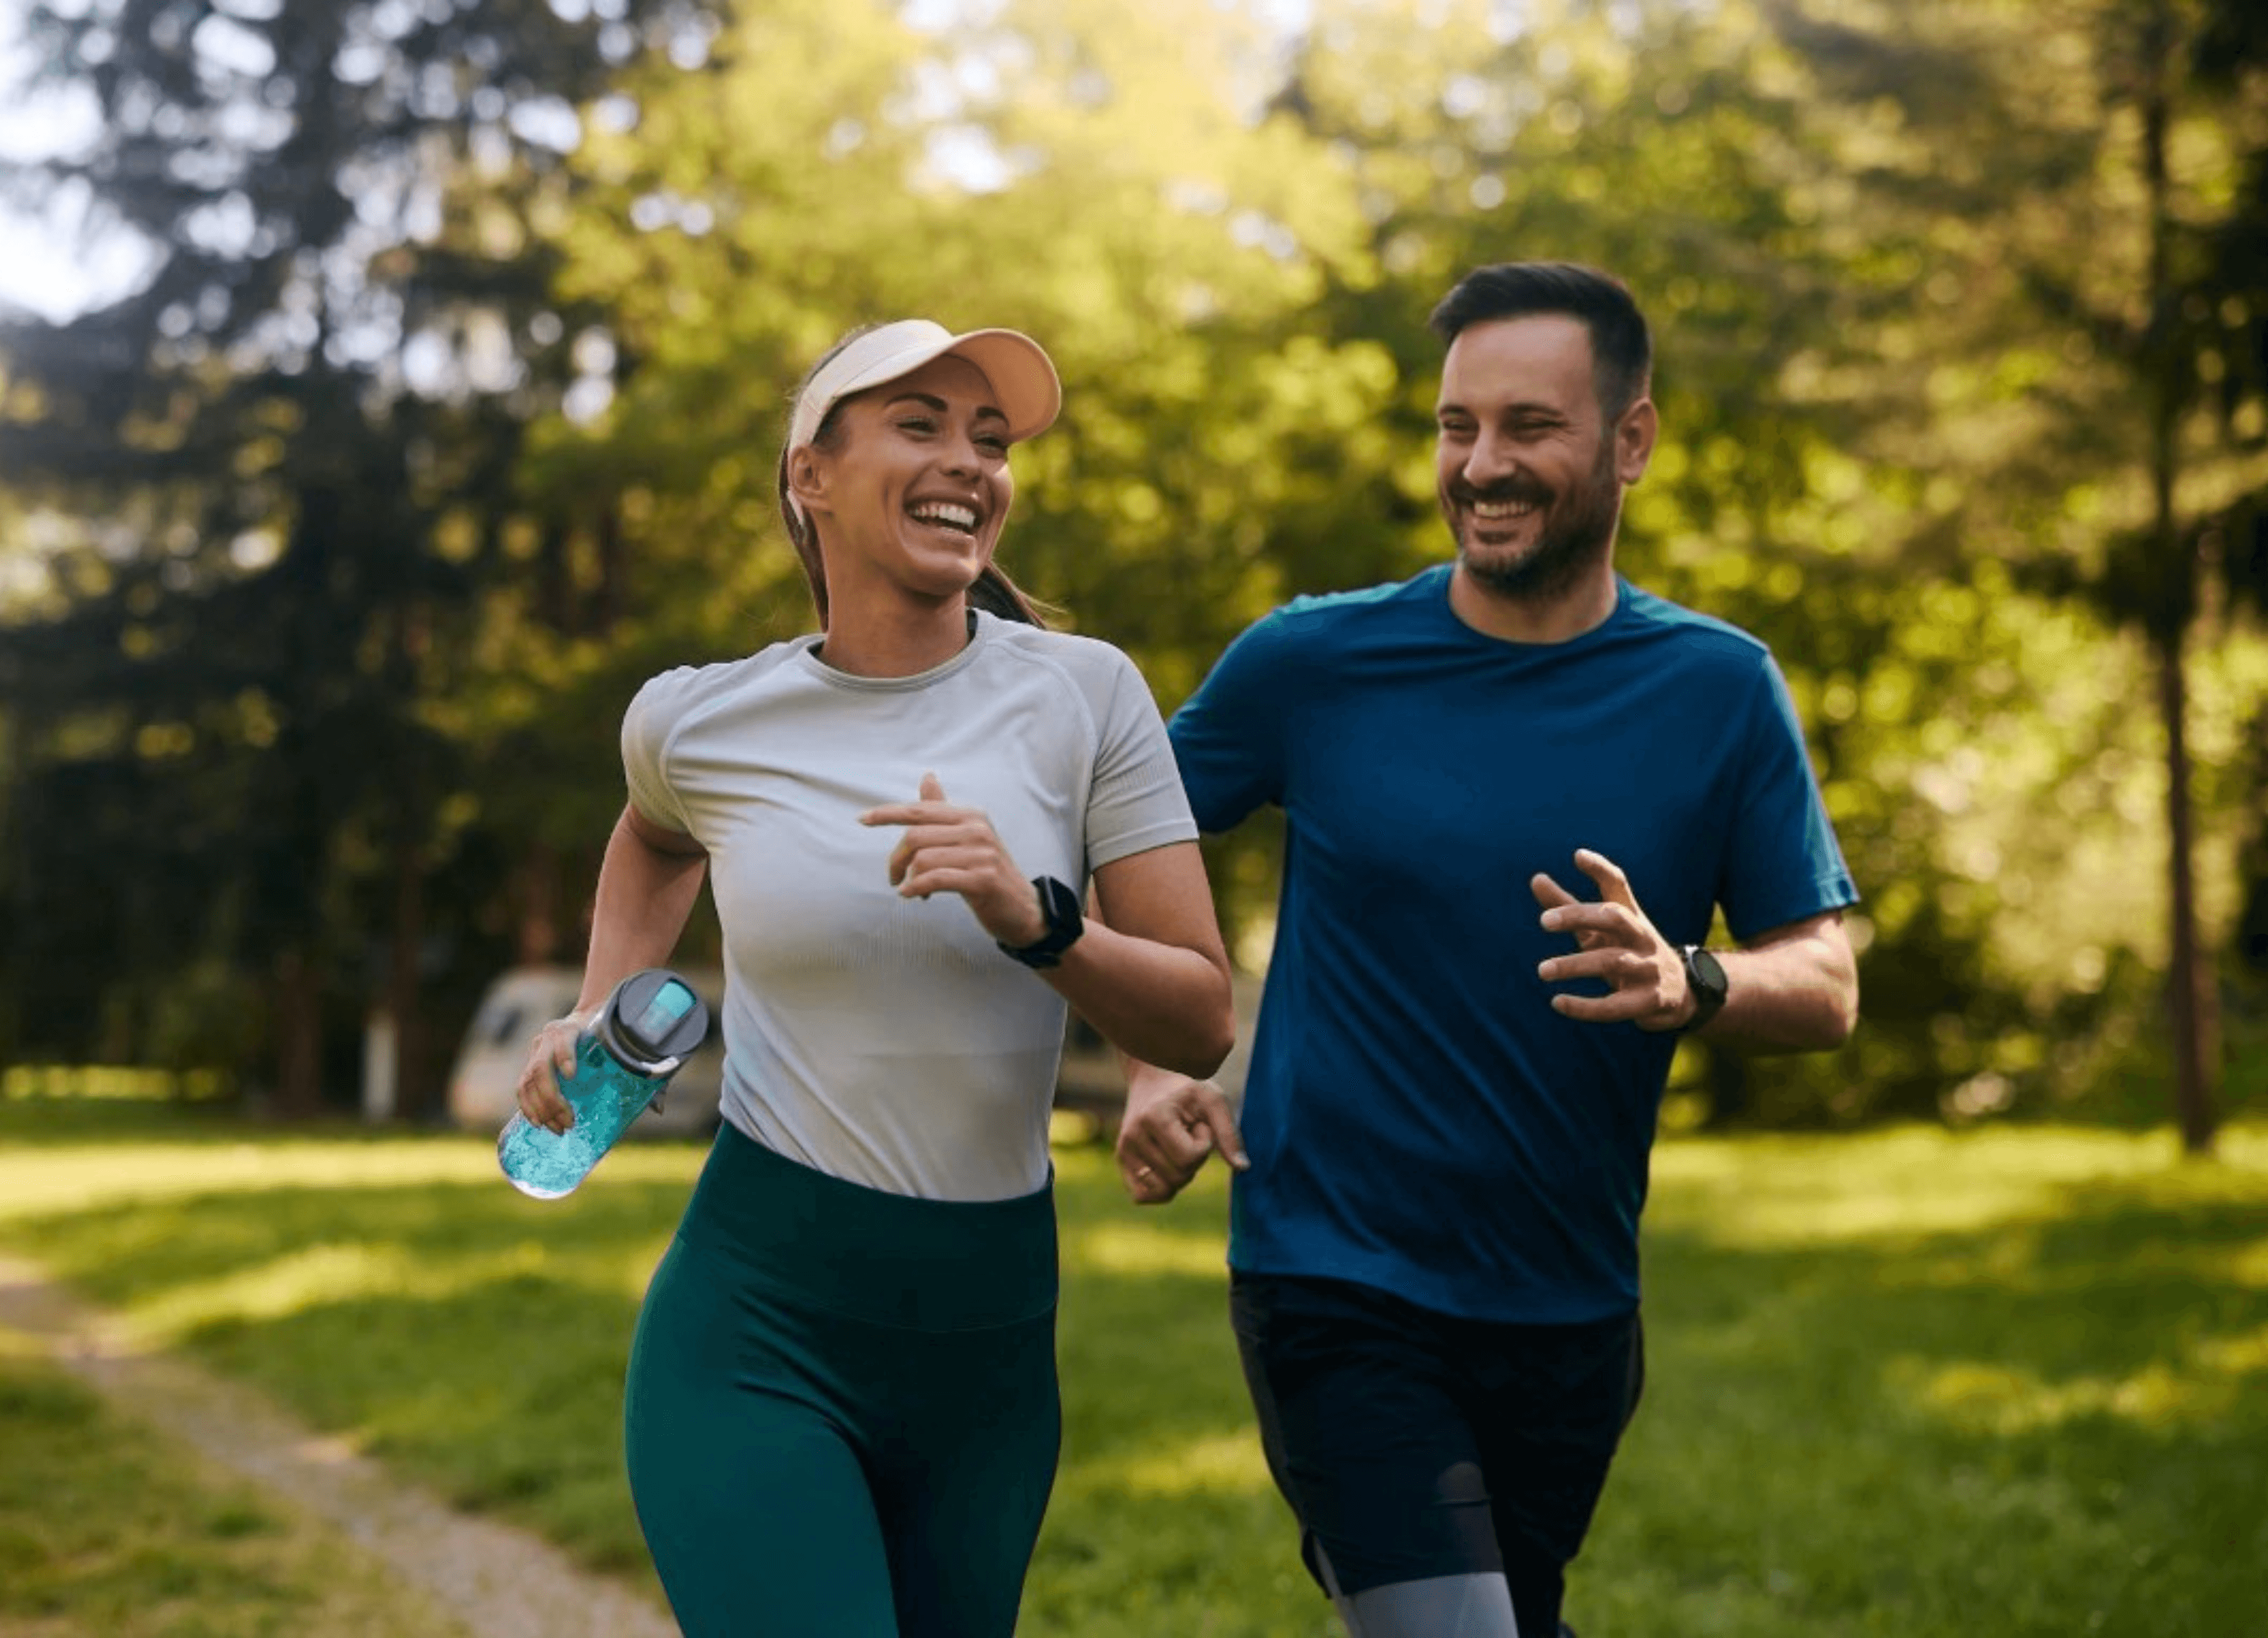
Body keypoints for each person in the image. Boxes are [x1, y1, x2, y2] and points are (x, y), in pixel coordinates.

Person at [1115, 262, 1861, 1638]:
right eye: (1457, 427)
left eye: (1530, 426)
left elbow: (1823, 983)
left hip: (1569, 1305)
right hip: (1332, 1276)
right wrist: (1160, 1055)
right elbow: (1119, 837)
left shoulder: (1718, 688)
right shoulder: (1311, 663)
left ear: (1631, 440)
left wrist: (1688, 979)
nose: (1481, 465)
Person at [513, 318, 1234, 1638]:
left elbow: (1198, 1015)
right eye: (920, 424)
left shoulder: (1087, 697)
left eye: (990, 440)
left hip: (988, 1353)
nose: (969, 461)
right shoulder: (698, 719)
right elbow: (654, 836)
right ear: (813, 476)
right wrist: (597, 1002)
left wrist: (1038, 921)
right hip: (758, 1325)